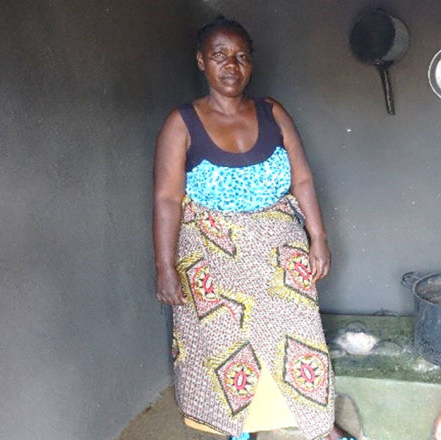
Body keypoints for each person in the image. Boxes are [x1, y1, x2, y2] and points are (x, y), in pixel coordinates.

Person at [153, 17, 356, 440]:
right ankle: (238, 429)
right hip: (209, 251)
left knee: (299, 334)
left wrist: (318, 238)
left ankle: (321, 428)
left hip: (279, 246)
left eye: (241, 56)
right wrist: (165, 266)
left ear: (251, 63)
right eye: (219, 55)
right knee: (225, 345)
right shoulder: (182, 123)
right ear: (201, 61)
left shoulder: (272, 111)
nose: (232, 64)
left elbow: (301, 179)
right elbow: (168, 199)